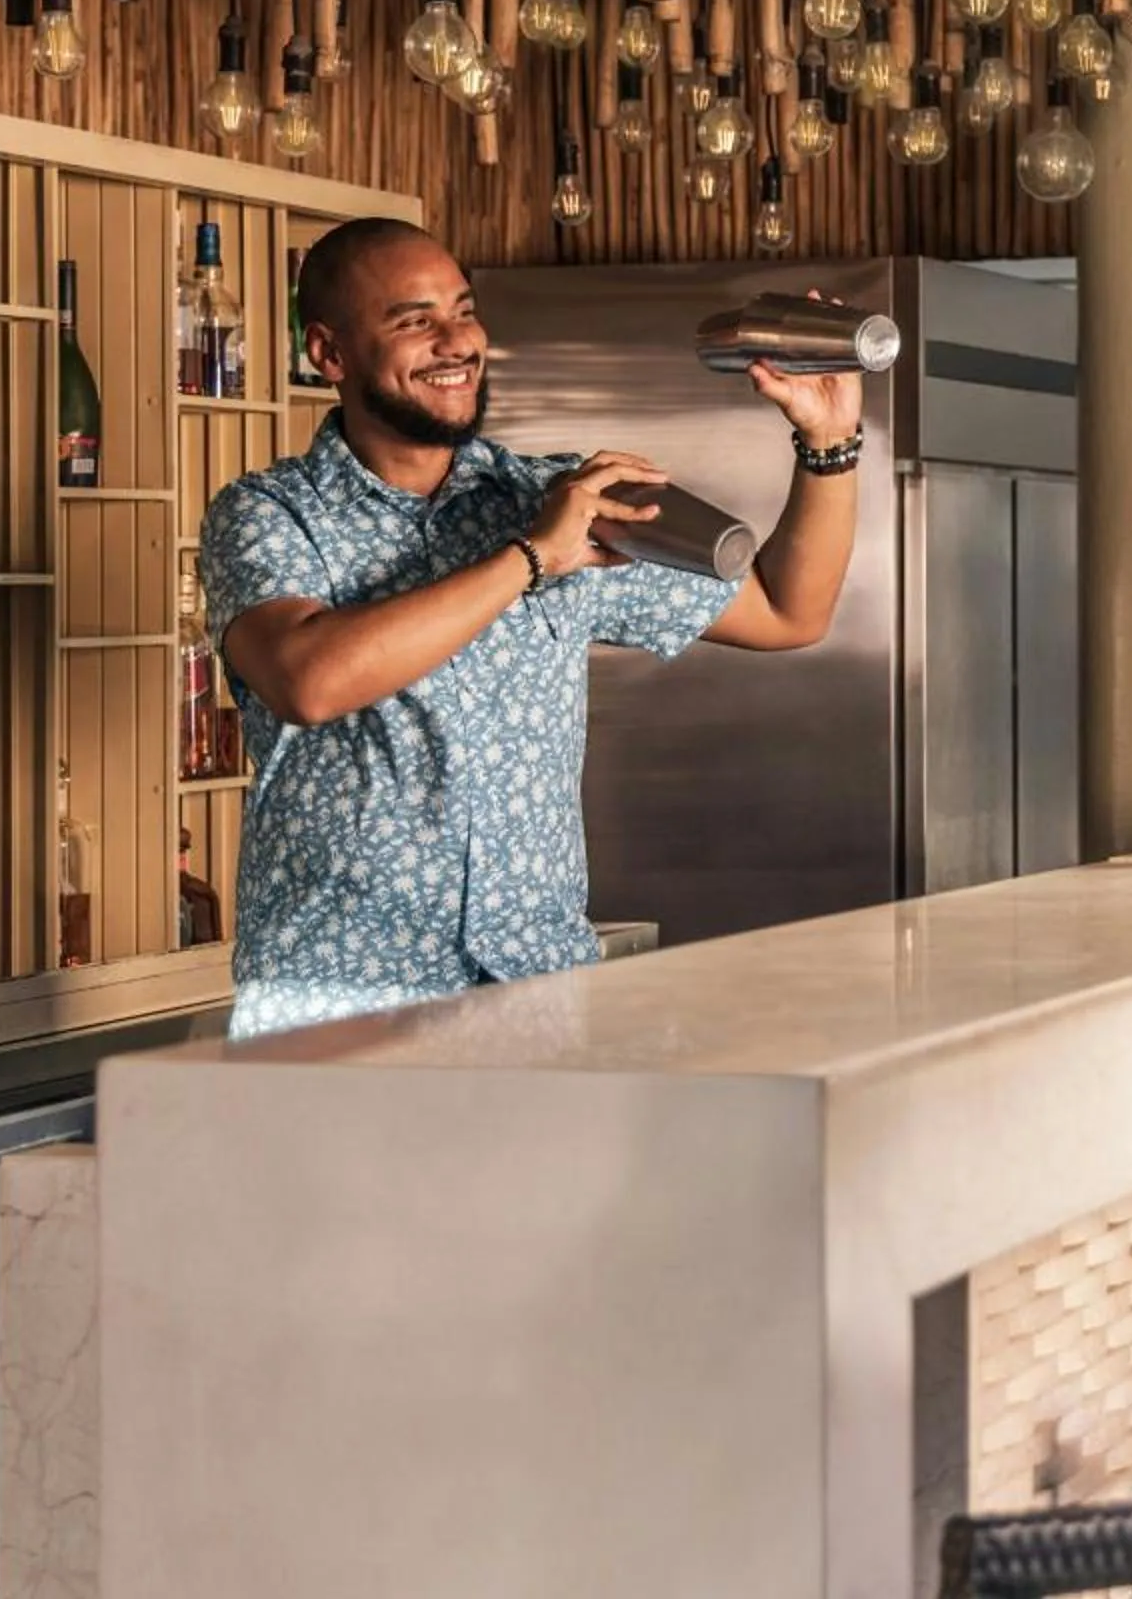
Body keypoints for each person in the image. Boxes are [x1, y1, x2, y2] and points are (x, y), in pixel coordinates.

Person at [198, 218, 861, 1038]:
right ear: (330, 354)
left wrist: (829, 441)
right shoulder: (268, 514)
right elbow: (309, 680)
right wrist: (532, 559)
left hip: (537, 996)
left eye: (464, 311)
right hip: (338, 1004)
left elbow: (790, 611)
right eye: (414, 321)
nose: (457, 342)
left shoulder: (552, 498)